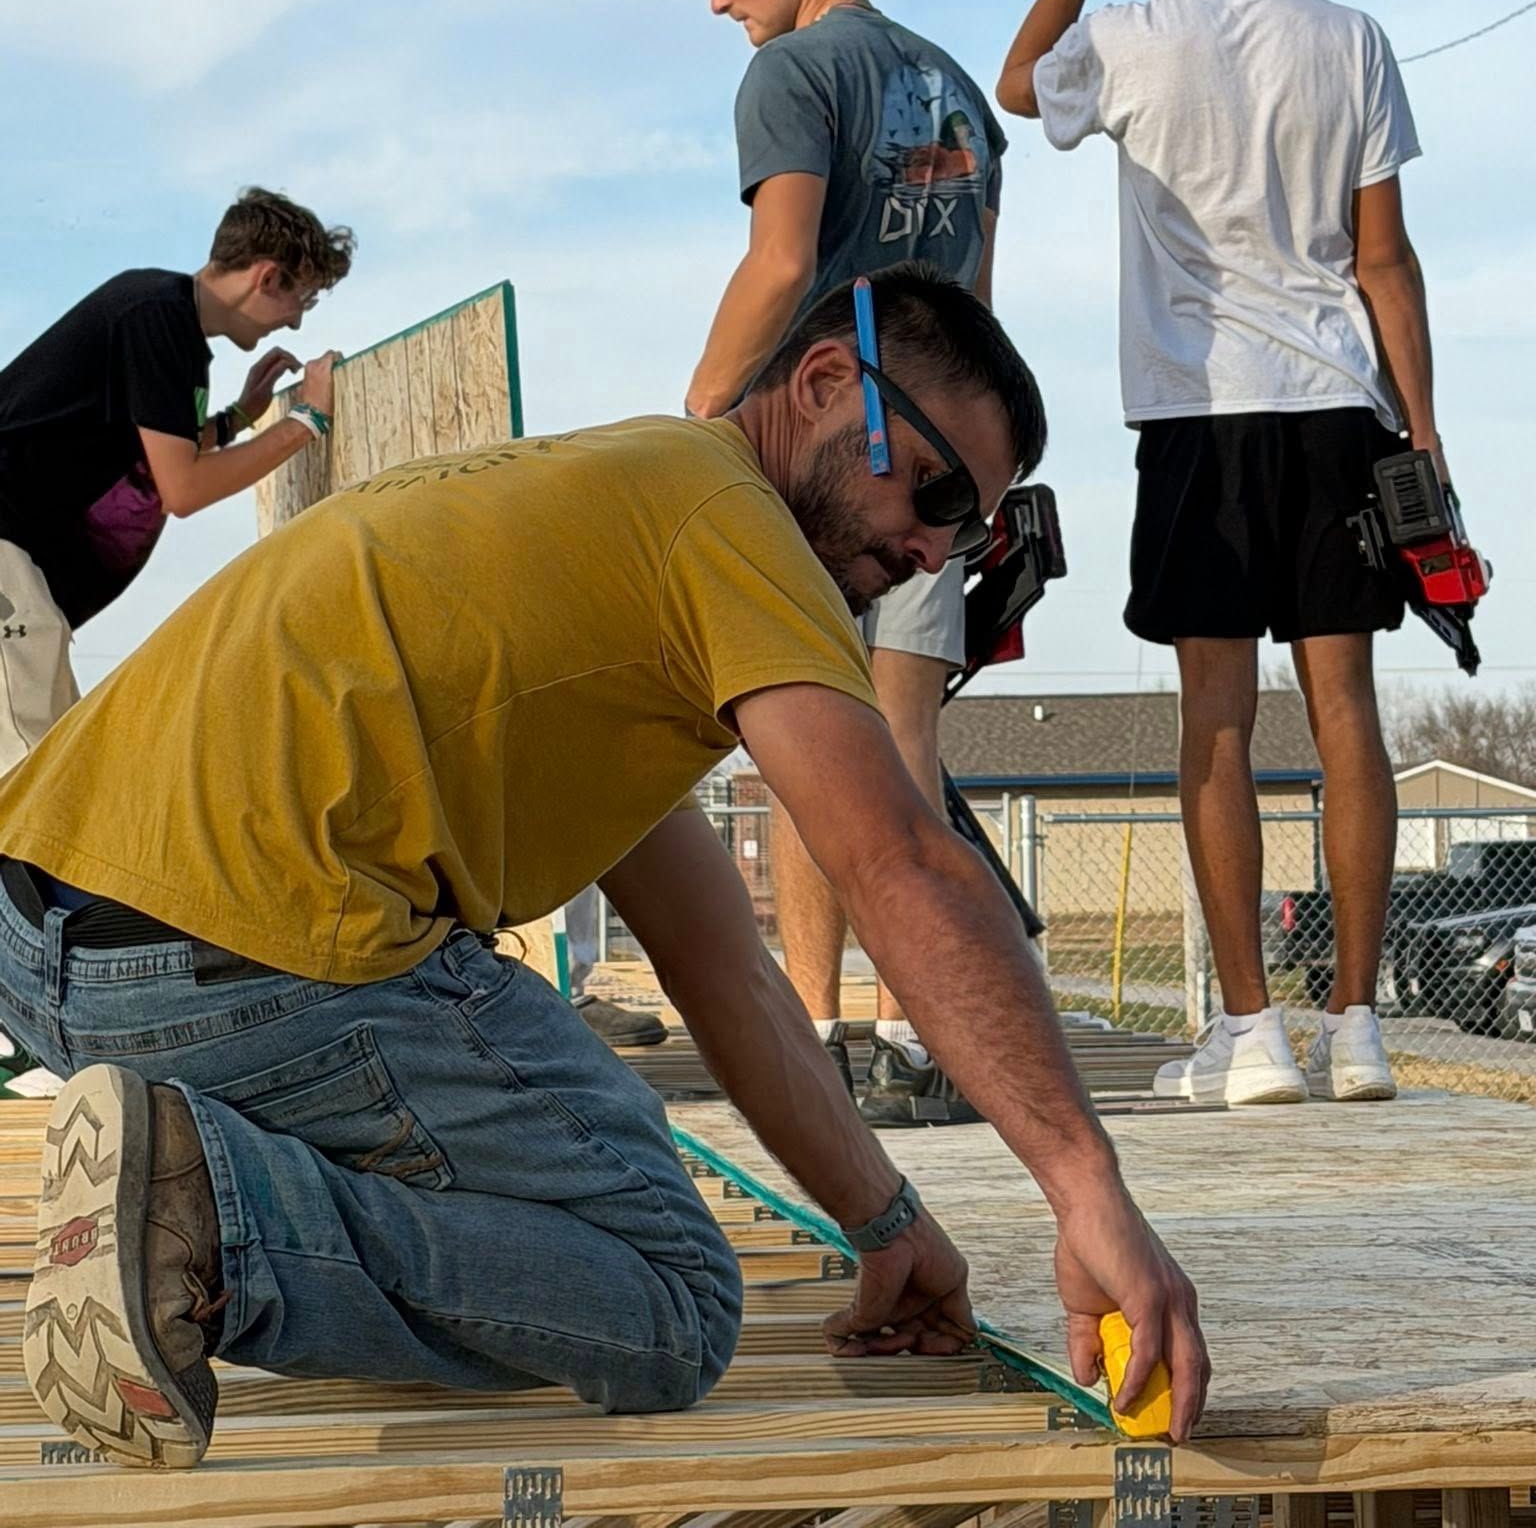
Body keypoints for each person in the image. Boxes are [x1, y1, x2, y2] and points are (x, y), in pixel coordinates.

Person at [0, 266, 1208, 1469]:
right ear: (831, 382)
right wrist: (1084, 1182)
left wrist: (882, 1221)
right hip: (230, 953)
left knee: (525, 1214)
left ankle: (178, 1173)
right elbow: (897, 859)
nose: (934, 550)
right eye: (936, 488)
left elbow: (719, 962)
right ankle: (209, 1215)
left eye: (973, 528)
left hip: (41, 948)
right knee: (671, 1294)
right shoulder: (727, 520)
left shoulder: (615, 529)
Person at [996, 0, 1437, 1107]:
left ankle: (1252, 1033)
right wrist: (1424, 430)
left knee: (1219, 723)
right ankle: (1359, 1027)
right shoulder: (1350, 38)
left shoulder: (1129, 35)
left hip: (1200, 421)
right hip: (1340, 405)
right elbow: (1386, 261)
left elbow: (1022, 82)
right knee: (1347, 708)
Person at [671, 0, 1008, 1123]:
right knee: (906, 748)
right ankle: (930, 1037)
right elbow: (975, 306)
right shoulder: (959, 90)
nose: (718, 2)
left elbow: (779, 259)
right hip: (936, 456)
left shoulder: (792, 71)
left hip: (817, 454)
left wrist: (702, 412)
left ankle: (814, 1032)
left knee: (798, 732)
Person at [0, 185, 353, 1100]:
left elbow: (168, 444)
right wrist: (305, 424)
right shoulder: (157, 316)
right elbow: (185, 487)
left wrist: (242, 413)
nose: (302, 313)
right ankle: (34, 1026)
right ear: (269, 276)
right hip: (3, 561)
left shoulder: (160, 317)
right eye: (302, 297)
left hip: (13, 563)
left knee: (37, 786)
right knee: (44, 792)